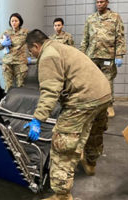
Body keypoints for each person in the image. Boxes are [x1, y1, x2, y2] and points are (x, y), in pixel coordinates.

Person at [24, 29, 111, 200]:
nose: (32, 55)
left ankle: (62, 195)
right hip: (103, 94)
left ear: (35, 45)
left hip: (83, 99)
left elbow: (50, 92)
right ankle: (90, 163)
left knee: (62, 145)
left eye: (31, 51)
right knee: (93, 133)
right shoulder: (60, 47)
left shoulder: (47, 55)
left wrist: (38, 119)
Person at [80, 0, 126, 117]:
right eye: (97, 2)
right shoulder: (91, 18)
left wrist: (119, 55)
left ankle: (108, 105)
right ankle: (94, 105)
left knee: (107, 81)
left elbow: (120, 37)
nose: (99, 4)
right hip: (92, 56)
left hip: (108, 56)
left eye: (101, 2)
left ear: (107, 2)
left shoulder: (115, 17)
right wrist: (81, 54)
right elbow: (85, 38)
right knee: (92, 82)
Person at [0, 13, 29, 92]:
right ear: (10, 22)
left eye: (16, 21)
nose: (14, 23)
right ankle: (8, 102)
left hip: (20, 62)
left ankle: (20, 103)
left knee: (20, 86)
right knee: (8, 86)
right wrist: (3, 44)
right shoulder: (6, 33)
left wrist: (30, 56)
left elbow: (31, 44)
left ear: (20, 22)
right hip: (8, 62)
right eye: (12, 21)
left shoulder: (25, 32)